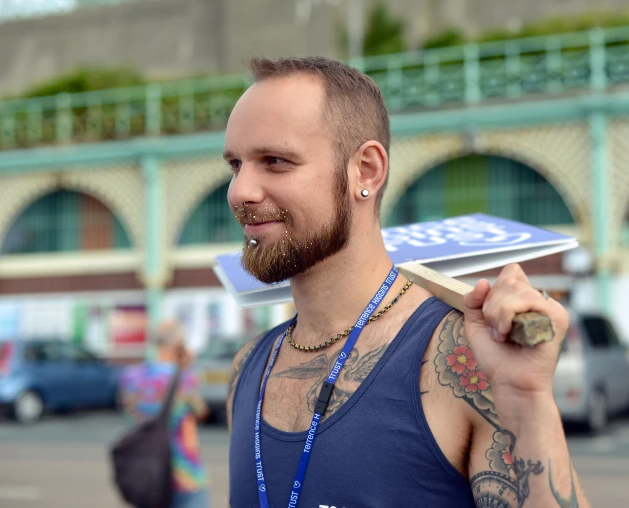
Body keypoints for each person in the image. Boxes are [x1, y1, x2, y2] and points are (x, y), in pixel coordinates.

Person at [224, 56, 592, 508]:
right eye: (235, 165)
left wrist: (526, 401)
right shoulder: (249, 369)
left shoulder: (464, 358)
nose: (240, 191)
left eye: (275, 161)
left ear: (366, 171)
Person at [119, 320, 211, 508]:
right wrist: (186, 365)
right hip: (184, 471)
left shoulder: (130, 376)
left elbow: (130, 411)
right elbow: (201, 412)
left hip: (147, 470)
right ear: (179, 344)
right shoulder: (185, 377)